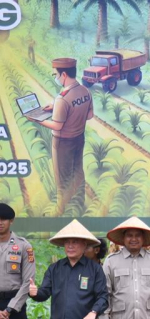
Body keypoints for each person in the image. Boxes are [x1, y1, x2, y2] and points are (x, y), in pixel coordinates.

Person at [30, 58, 93, 213]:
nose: (55, 78)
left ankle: (60, 210)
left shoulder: (62, 98)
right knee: (78, 171)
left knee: (62, 178)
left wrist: (37, 119)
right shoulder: (85, 91)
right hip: (79, 138)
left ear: (63, 74)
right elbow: (89, 115)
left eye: (55, 75)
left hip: (62, 142)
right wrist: (56, 109)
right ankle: (79, 203)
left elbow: (57, 125)